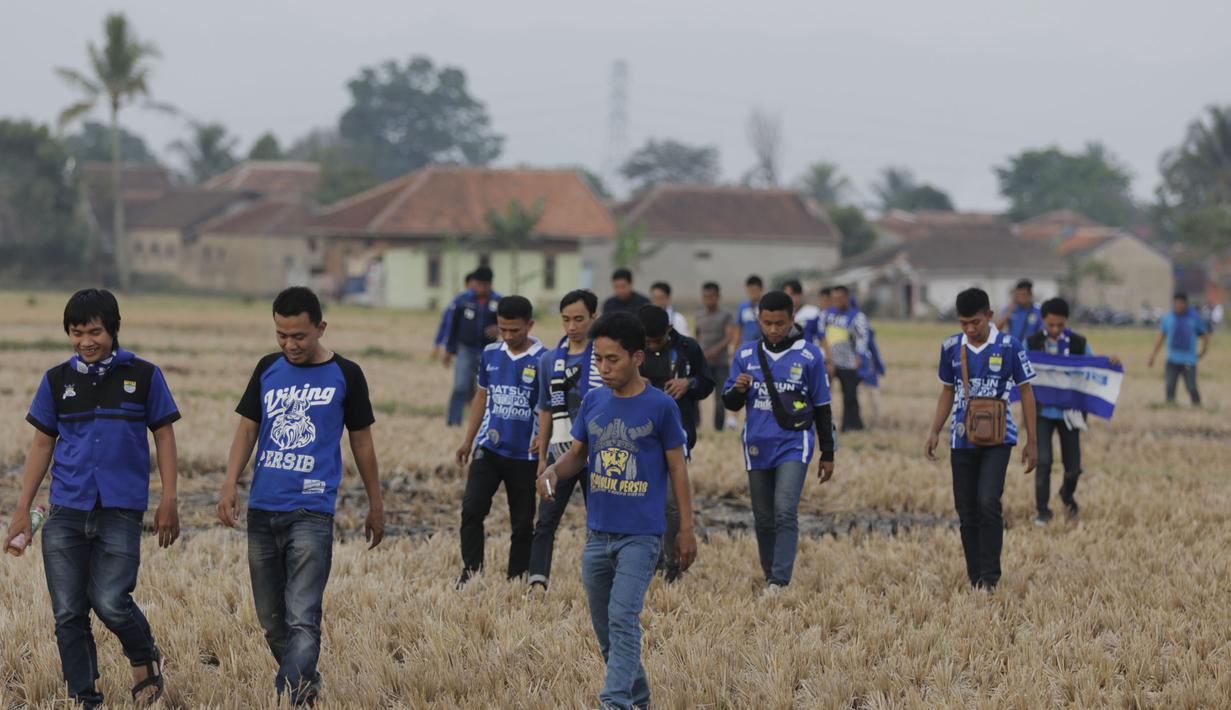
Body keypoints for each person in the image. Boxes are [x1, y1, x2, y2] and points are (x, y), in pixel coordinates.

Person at [4, 289, 180, 708]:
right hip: (66, 508)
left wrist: (169, 497)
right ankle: (84, 696)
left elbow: (165, 434)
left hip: (120, 508)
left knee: (110, 600)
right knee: (68, 612)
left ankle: (143, 656)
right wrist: (20, 512)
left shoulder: (145, 375)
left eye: (95, 331)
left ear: (113, 329)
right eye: (77, 332)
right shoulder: (56, 381)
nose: (86, 341)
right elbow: (42, 446)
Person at [217, 286, 385, 706]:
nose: (290, 345)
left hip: (312, 510)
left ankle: (288, 695)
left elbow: (362, 443)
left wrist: (375, 503)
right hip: (263, 507)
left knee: (302, 617)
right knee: (272, 622)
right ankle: (305, 683)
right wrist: (229, 482)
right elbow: (248, 429)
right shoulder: (267, 368)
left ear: (320, 328)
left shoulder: (347, 374)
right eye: (281, 335)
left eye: (299, 336)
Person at [536, 312, 697, 710]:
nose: (604, 368)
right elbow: (578, 455)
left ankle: (614, 702)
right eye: (599, 360)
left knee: (624, 618)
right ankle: (639, 699)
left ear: (637, 358)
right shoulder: (593, 401)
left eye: (613, 359)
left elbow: (678, 469)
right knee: (606, 629)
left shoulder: (660, 407)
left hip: (640, 537)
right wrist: (553, 471)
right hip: (597, 536)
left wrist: (686, 529)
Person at [722, 291, 836, 591]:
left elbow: (823, 407)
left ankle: (780, 582)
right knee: (763, 516)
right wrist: (739, 389)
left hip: (794, 443)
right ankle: (769, 571)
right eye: (768, 323)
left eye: (780, 323)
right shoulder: (745, 355)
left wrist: (828, 452)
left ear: (792, 320)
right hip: (757, 444)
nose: (774, 329)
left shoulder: (810, 356)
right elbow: (729, 402)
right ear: (759, 320)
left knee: (785, 509)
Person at [925, 287, 1037, 593]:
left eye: (975, 322)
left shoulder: (1010, 346)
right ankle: (975, 577)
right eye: (963, 323)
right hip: (961, 439)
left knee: (988, 502)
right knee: (966, 510)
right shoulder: (950, 347)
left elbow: (1026, 391)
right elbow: (947, 391)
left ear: (989, 316)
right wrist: (935, 429)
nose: (970, 329)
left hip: (1000, 439)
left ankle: (991, 576)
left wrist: (1032, 440)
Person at [455, 295, 544, 586]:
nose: (508, 336)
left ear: (529, 325)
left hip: (525, 456)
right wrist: (468, 440)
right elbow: (481, 397)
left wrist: (542, 444)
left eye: (515, 330)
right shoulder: (491, 353)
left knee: (521, 522)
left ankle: (516, 577)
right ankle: (471, 571)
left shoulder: (545, 359)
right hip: (489, 448)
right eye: (503, 329)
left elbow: (548, 409)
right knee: (471, 509)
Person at [527, 290, 602, 591]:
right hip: (560, 452)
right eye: (566, 320)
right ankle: (537, 582)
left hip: (597, 454)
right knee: (545, 520)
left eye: (579, 319)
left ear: (593, 318)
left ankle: (597, 583)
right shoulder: (548, 361)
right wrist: (543, 458)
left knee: (598, 522)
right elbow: (544, 409)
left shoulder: (603, 359)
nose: (572, 326)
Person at [1026, 297, 1121, 525]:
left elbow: (1091, 367)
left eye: (1060, 325)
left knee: (1074, 467)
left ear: (1066, 322)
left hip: (1071, 414)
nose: (1055, 329)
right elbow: (1019, 367)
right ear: (1043, 321)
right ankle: (1042, 511)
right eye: (1051, 325)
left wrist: (1109, 361)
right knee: (1044, 462)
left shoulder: (1078, 343)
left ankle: (1066, 494)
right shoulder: (1031, 343)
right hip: (1042, 413)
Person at [637, 305, 714, 582]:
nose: (650, 345)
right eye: (646, 341)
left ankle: (671, 563)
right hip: (639, 433)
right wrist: (634, 382)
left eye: (656, 340)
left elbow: (708, 383)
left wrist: (689, 383)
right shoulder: (630, 347)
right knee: (642, 500)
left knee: (670, 502)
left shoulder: (687, 348)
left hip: (676, 431)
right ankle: (648, 560)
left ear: (669, 330)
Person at [443, 266, 501, 426]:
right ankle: (454, 421)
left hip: (488, 353)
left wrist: (498, 329)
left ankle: (483, 422)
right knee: (460, 385)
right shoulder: (462, 300)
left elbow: (507, 323)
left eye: (483, 285)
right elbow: (452, 326)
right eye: (477, 284)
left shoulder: (498, 301)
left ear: (489, 284)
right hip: (465, 349)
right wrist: (449, 350)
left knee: (484, 389)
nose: (479, 288)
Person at [822, 285, 871, 432]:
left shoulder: (857, 316)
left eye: (840, 298)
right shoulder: (826, 315)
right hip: (829, 362)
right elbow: (821, 335)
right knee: (821, 395)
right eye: (834, 298)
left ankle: (852, 425)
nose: (837, 301)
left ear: (847, 298)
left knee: (850, 396)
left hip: (849, 362)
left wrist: (859, 356)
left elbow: (862, 337)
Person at [1148, 292, 1211, 405]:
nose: (1178, 306)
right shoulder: (1169, 318)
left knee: (1191, 387)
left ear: (1186, 303)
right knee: (1170, 385)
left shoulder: (1194, 318)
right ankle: (1170, 406)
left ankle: (1197, 406)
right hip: (1172, 359)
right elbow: (1161, 337)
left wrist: (1203, 351)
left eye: (1181, 303)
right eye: (1176, 303)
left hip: (1189, 360)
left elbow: (1205, 335)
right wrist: (1153, 355)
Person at [695, 281, 736, 432]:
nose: (708, 299)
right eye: (705, 296)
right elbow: (698, 336)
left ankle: (718, 427)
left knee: (720, 399)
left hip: (721, 363)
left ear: (718, 297)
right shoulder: (699, 315)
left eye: (711, 296)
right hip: (703, 363)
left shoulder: (725, 315)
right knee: (695, 394)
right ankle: (696, 425)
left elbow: (729, 337)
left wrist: (714, 351)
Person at [432, 272, 476, 361]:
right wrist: (437, 343)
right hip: (459, 347)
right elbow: (445, 323)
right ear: (466, 285)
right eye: (472, 286)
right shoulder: (458, 302)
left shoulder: (485, 306)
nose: (474, 290)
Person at [783, 279, 822, 346]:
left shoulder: (813, 313)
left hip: (810, 352)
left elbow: (822, 337)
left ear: (800, 294)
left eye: (792, 294)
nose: (789, 298)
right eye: (786, 295)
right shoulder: (782, 315)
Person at [737, 275, 764, 345]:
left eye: (754, 290)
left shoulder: (766, 306)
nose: (752, 293)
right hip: (747, 343)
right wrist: (735, 346)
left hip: (762, 343)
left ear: (761, 289)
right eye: (749, 290)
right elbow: (738, 328)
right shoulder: (743, 307)